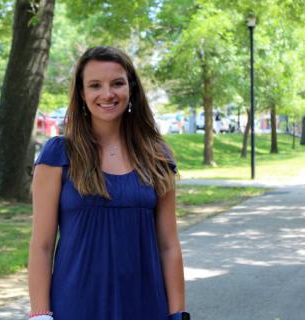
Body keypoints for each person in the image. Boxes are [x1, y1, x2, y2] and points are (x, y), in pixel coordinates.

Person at [28, 46, 189, 320]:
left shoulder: (157, 156)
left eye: (117, 83)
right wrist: (40, 316)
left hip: (146, 306)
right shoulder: (58, 155)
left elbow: (169, 245)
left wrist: (178, 314)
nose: (107, 94)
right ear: (82, 93)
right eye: (94, 85)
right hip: (75, 307)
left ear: (131, 89)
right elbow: (41, 246)